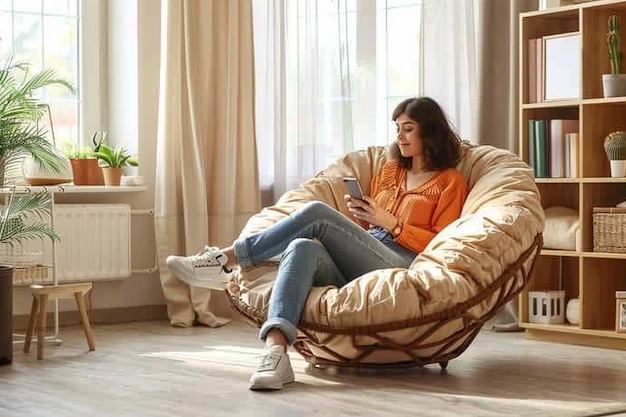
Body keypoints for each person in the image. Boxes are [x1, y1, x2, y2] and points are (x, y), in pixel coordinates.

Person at [166, 96, 469, 390]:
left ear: (428, 131)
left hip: (402, 261)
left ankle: (227, 259)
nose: (399, 137)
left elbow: (439, 241)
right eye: (397, 128)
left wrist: (392, 223)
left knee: (316, 214)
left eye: (408, 128)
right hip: (369, 251)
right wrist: (364, 216)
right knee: (302, 247)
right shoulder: (391, 171)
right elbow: (368, 227)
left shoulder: (449, 182)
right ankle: (275, 354)